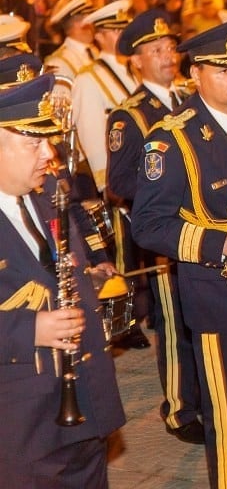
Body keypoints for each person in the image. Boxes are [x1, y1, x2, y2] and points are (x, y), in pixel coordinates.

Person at [132, 19, 227, 488]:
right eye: (222, 69)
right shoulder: (170, 138)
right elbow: (149, 225)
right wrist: (225, 243)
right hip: (217, 297)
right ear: (194, 74)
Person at [0, 75, 125, 486]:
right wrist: (29, 327)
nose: (48, 153)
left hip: (85, 401)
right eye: (33, 143)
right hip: (23, 424)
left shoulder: (48, 190)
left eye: (47, 140)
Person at [108, 8, 204, 444]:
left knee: (203, 316)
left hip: (206, 228)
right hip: (166, 234)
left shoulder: (192, 101)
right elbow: (119, 182)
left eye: (170, 47)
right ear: (136, 61)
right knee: (174, 322)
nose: (168, 56)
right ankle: (180, 408)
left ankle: (207, 395)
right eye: (156, 50)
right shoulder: (129, 116)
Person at [71, 0, 138, 194]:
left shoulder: (136, 69)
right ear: (99, 36)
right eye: (117, 31)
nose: (125, 36)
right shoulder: (88, 78)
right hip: (119, 179)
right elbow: (91, 135)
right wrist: (107, 185)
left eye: (126, 29)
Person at [43, 0, 96, 83]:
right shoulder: (57, 63)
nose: (93, 24)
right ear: (77, 24)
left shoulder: (93, 51)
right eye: (89, 20)